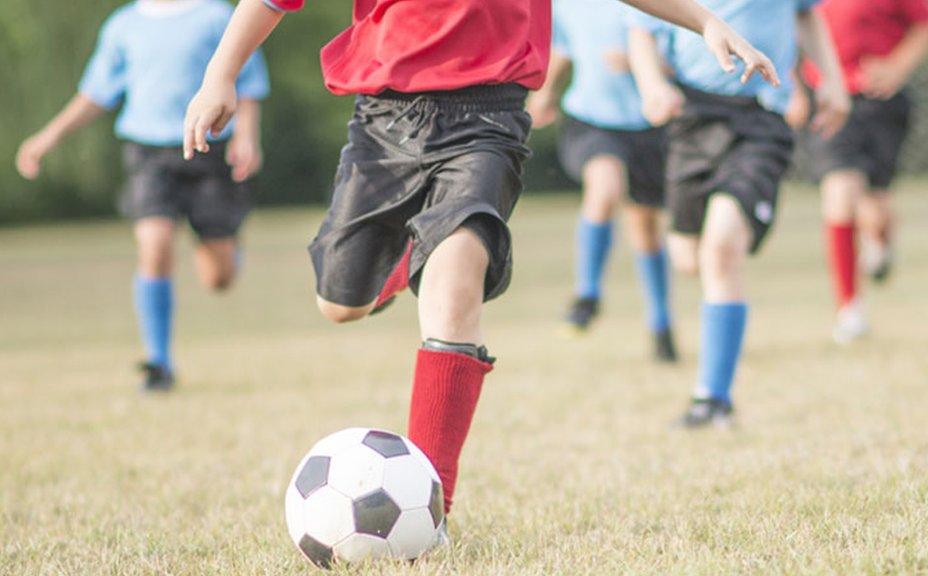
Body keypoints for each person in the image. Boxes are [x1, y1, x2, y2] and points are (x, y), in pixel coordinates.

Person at [182, 0, 777, 528]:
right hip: (385, 120)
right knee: (339, 304)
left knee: (454, 275)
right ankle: (402, 261)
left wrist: (705, 20)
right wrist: (219, 75)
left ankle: (432, 499)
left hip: (488, 117)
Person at [15, 0, 270, 392]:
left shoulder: (217, 16)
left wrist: (247, 135)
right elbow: (95, 94)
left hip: (209, 149)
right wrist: (47, 137)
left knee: (219, 277)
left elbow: (247, 81)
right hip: (148, 153)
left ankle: (224, 242)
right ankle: (159, 362)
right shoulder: (124, 25)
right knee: (154, 244)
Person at [629, 0, 849, 427]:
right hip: (691, 117)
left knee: (721, 248)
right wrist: (652, 84)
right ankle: (713, 383)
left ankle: (712, 399)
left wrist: (833, 82)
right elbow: (641, 29)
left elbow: (807, 15)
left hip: (762, 118)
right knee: (688, 259)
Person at [527, 0, 679, 363]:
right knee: (604, 188)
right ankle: (587, 293)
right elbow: (563, 47)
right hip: (591, 119)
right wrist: (544, 95)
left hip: (648, 124)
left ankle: (660, 322)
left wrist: (640, 64)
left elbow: (684, 63)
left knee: (644, 227)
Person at [788, 0, 928, 344]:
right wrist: (794, 88)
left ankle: (880, 243)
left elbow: (926, 23)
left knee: (875, 206)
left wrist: (897, 67)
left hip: (879, 100)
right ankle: (849, 308)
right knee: (840, 192)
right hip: (829, 99)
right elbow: (787, 27)